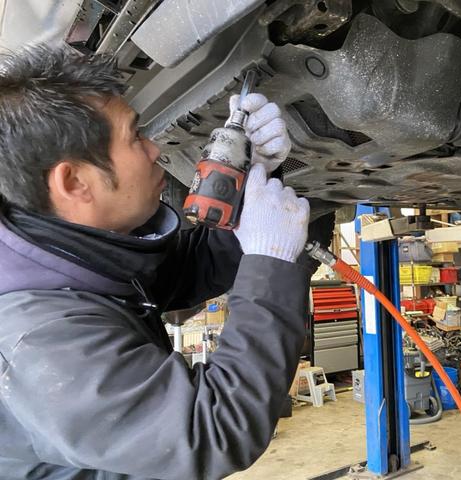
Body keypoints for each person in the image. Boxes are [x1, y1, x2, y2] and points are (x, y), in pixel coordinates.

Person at [0, 44, 313, 480]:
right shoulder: (41, 336)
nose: (154, 150)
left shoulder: (67, 254)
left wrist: (251, 177)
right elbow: (212, 431)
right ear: (74, 182)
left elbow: (191, 267)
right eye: (134, 137)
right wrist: (270, 259)